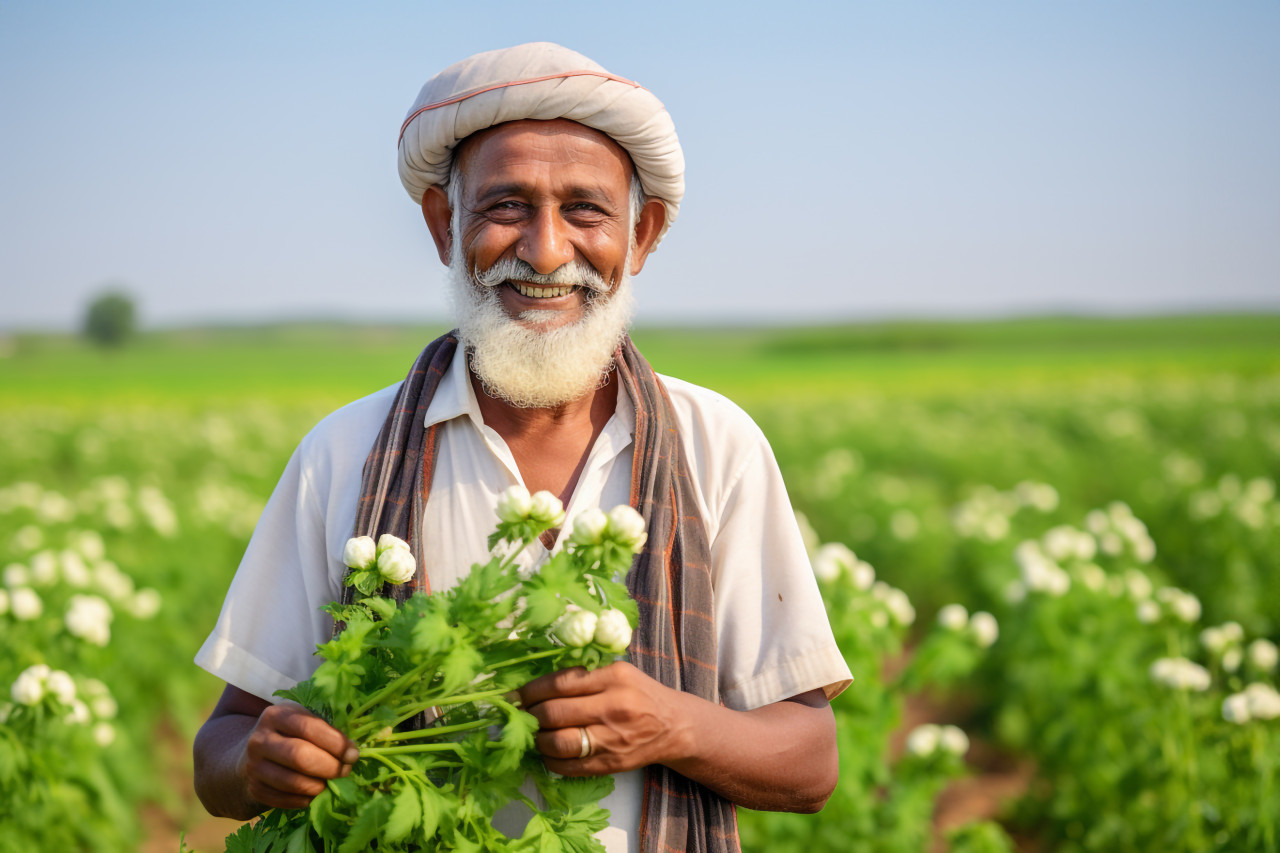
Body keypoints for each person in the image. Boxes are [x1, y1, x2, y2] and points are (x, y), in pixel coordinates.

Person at [193, 42, 852, 853]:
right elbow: (221, 745)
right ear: (445, 225)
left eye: (585, 210)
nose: (544, 252)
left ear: (640, 235)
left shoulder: (716, 446)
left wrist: (672, 724)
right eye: (505, 206)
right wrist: (263, 760)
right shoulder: (346, 454)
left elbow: (811, 760)